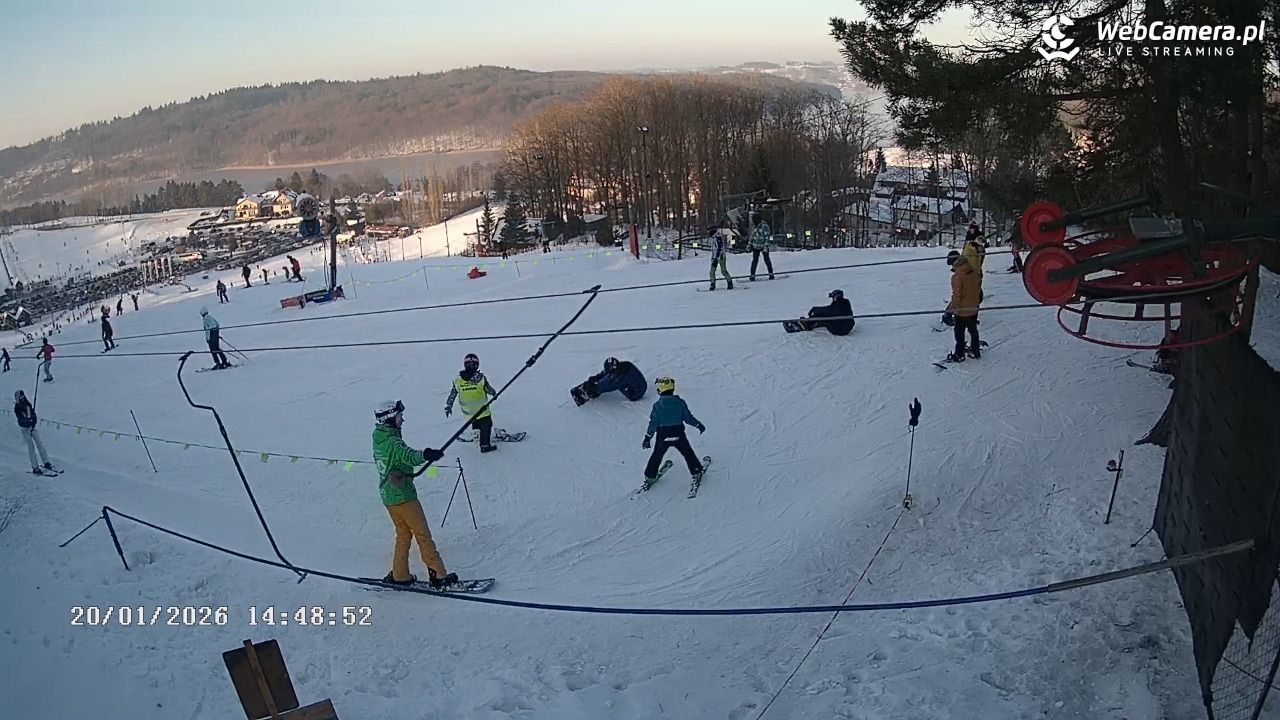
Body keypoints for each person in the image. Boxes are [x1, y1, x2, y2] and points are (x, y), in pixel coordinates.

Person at [372, 399, 456, 588]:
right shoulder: (393, 442)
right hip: (403, 497)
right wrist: (426, 455)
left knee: (403, 533)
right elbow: (407, 455)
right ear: (389, 418)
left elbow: (399, 456)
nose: (403, 419)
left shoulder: (378, 436)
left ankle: (400, 574)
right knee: (422, 534)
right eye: (400, 416)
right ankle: (439, 576)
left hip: (388, 496)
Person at [642, 377, 706, 485]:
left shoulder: (657, 406)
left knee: (657, 455)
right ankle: (696, 471)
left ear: (660, 390)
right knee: (688, 453)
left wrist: (648, 437)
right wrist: (698, 425)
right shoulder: (680, 403)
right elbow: (687, 418)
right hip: (678, 434)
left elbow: (653, 423)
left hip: (663, 436)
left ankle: (650, 476)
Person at [946, 251, 981, 362]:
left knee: (959, 332)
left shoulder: (957, 277)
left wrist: (949, 310)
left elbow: (957, 296)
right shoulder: (973, 271)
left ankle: (959, 354)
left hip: (962, 310)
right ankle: (975, 351)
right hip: (974, 307)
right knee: (973, 329)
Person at [574, 357, 647, 406]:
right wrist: (597, 378)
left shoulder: (622, 377)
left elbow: (610, 386)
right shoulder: (622, 366)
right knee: (612, 378)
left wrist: (596, 389)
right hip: (638, 383)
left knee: (613, 383)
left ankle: (591, 393)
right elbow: (607, 372)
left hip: (635, 393)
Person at [14, 390, 54, 474]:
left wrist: (33, 420)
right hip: (25, 429)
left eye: (22, 396)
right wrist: (28, 421)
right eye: (20, 397)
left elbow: (33, 415)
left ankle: (46, 462)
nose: (22, 398)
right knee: (31, 447)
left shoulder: (28, 405)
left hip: (32, 427)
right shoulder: (17, 408)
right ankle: (35, 467)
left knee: (40, 444)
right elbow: (21, 420)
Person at [748, 213, 776, 281]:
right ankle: (752, 275)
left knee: (766, 260)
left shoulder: (764, 226)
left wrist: (766, 247)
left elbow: (767, 237)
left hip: (763, 246)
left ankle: (771, 274)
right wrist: (749, 244)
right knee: (754, 260)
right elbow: (752, 236)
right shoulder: (755, 226)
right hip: (755, 246)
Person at [708, 224, 734, 291]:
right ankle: (712, 283)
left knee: (723, 271)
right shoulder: (713, 238)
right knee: (712, 271)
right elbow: (714, 249)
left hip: (721, 257)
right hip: (715, 257)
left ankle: (729, 282)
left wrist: (717, 257)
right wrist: (713, 257)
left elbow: (719, 248)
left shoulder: (718, 237)